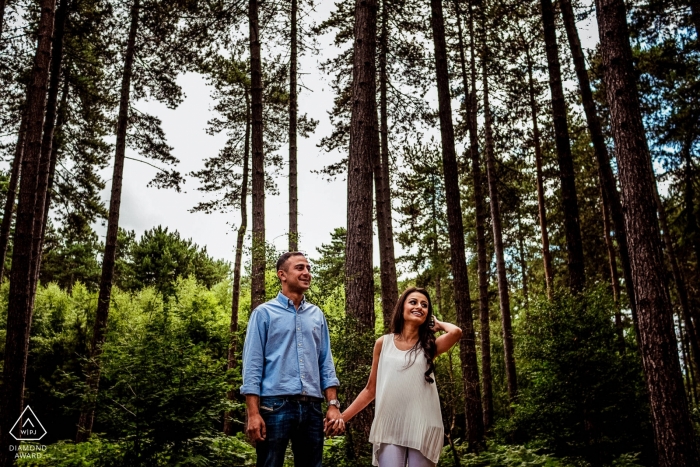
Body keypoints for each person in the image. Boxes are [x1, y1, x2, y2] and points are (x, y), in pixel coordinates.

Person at [326, 287, 462, 467]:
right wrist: (342, 417)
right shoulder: (383, 343)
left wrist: (438, 324)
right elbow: (370, 389)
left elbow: (456, 332)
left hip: (423, 426)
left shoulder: (429, 346)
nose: (419, 307)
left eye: (424, 305)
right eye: (413, 302)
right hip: (390, 426)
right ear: (402, 307)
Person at [241, 252, 341, 467]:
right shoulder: (263, 313)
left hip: (313, 408)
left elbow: (325, 362)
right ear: (282, 275)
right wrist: (253, 413)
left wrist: (333, 405)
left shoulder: (317, 315)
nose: (307, 273)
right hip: (274, 407)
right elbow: (252, 366)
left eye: (308, 268)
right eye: (300, 268)